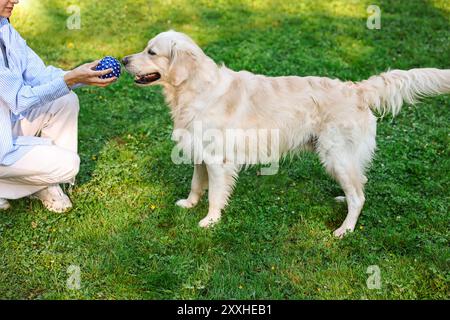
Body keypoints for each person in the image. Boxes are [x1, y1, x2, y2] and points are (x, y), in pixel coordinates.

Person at [0, 0, 117, 212]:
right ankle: (27, 181)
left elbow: (40, 75)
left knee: (64, 100)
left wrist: (81, 76)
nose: (15, 0)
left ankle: (45, 183)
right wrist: (69, 80)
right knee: (68, 164)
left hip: (5, 127)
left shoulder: (4, 28)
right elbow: (19, 99)